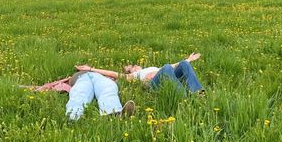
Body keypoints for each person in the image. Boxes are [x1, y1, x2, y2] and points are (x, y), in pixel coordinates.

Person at [22, 71, 135, 120]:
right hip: (82, 79)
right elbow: (49, 86)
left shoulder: (102, 77)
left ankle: (114, 113)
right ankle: (73, 117)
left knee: (109, 88)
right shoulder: (72, 80)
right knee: (79, 93)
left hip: (101, 78)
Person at [75, 53, 205, 94]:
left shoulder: (151, 67)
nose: (134, 65)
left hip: (166, 73)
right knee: (165, 68)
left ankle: (198, 93)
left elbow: (173, 66)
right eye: (131, 67)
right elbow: (113, 73)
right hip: (156, 84)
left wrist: (188, 60)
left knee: (182, 63)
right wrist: (91, 69)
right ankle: (183, 97)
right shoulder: (133, 76)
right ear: (131, 71)